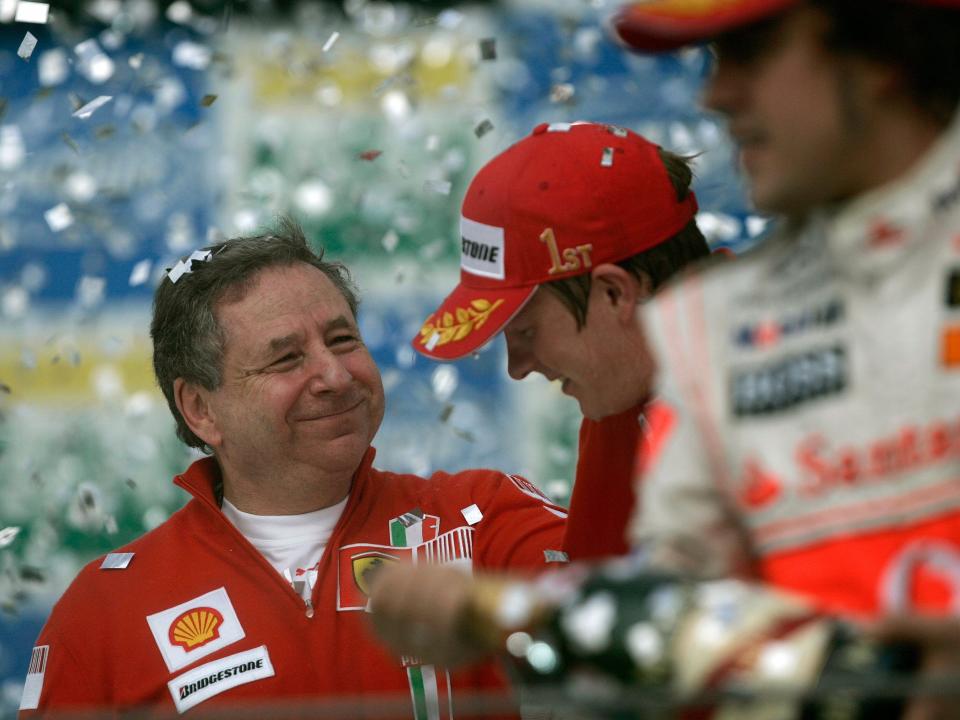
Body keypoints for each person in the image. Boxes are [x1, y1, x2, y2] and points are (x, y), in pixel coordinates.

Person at [371, 0, 960, 711]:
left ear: (882, 57)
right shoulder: (711, 329)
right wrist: (503, 613)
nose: (716, 93)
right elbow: (671, 617)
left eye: (754, 50)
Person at [17, 219, 569, 718]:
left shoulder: (482, 519)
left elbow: (627, 636)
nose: (335, 375)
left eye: (342, 339)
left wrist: (495, 611)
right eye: (287, 358)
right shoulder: (104, 610)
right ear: (201, 409)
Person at [412, 120, 711, 561]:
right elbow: (598, 599)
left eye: (526, 331)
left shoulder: (779, 380)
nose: (518, 367)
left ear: (614, 293)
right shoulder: (625, 385)